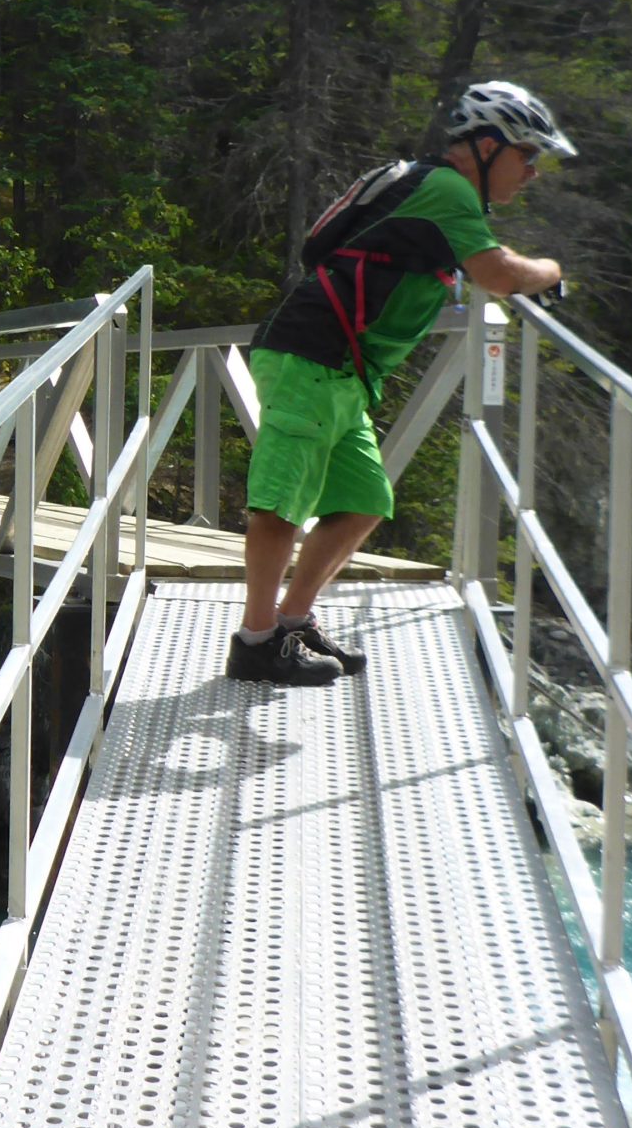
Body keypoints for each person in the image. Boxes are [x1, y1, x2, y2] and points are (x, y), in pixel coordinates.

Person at [227, 80, 574, 686]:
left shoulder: (443, 192)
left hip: (343, 371)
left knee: (363, 501)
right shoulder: (444, 187)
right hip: (311, 355)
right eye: (528, 155)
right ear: (488, 146)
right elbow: (497, 272)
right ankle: (255, 643)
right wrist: (552, 271)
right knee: (281, 503)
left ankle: (291, 622)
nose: (533, 173)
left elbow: (487, 257)